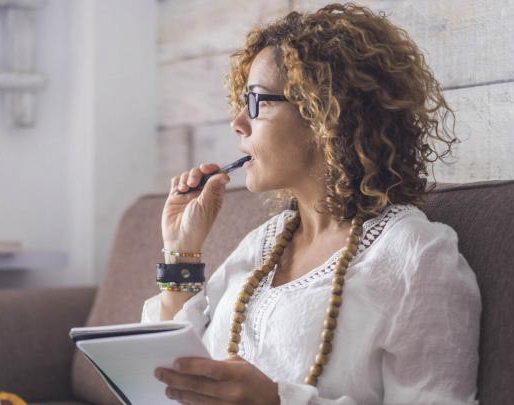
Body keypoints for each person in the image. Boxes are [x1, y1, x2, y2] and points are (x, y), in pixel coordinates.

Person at [141, 3, 481, 404]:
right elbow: (176, 374)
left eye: (257, 102)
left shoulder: (414, 254)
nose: (237, 122)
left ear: (324, 116)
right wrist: (181, 252)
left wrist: (277, 400)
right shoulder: (263, 244)